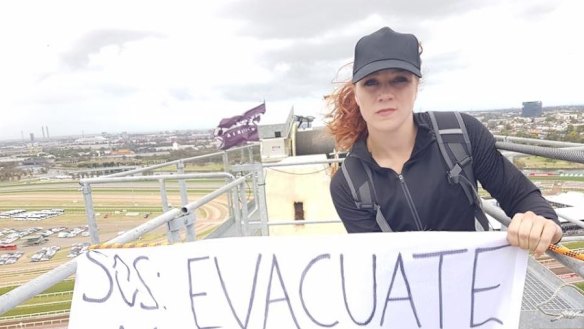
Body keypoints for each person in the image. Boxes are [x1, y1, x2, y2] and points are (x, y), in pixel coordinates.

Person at [327, 27, 562, 256]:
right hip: (407, 293)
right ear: (356, 94)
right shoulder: (348, 184)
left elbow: (519, 194)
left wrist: (542, 221)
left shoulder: (459, 133)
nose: (385, 94)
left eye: (400, 80)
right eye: (371, 82)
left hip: (479, 285)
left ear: (417, 86)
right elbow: (378, 261)